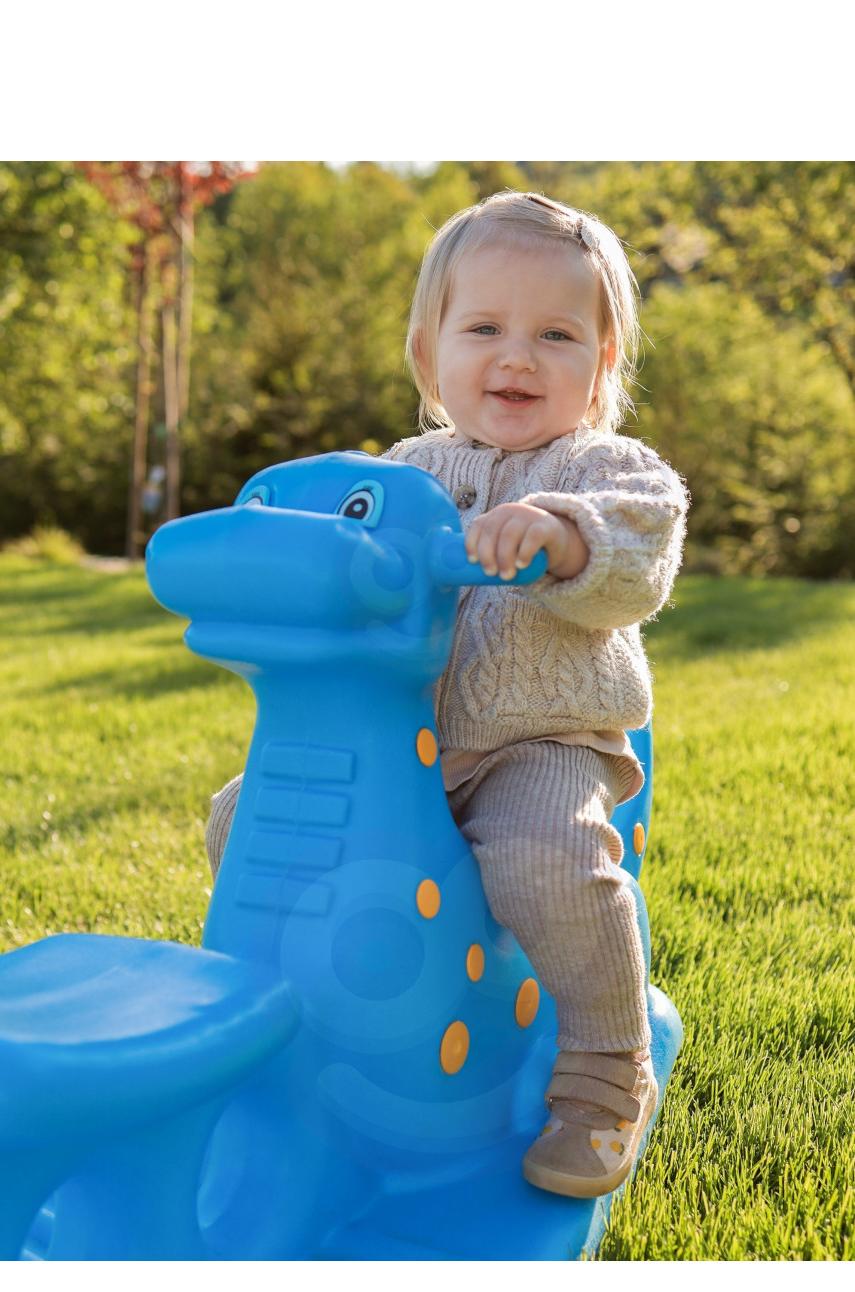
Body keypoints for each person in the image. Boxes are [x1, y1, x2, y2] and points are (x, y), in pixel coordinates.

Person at [206, 191, 689, 1199]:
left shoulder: (602, 466)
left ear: (601, 362)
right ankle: (298, 1019)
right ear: (429, 355)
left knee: (545, 856)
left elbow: (637, 551)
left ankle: (606, 1067)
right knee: (246, 820)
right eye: (484, 329)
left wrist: (563, 534)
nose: (517, 357)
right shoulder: (398, 470)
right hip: (402, 745)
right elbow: (337, 564)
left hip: (541, 742)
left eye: (554, 335)